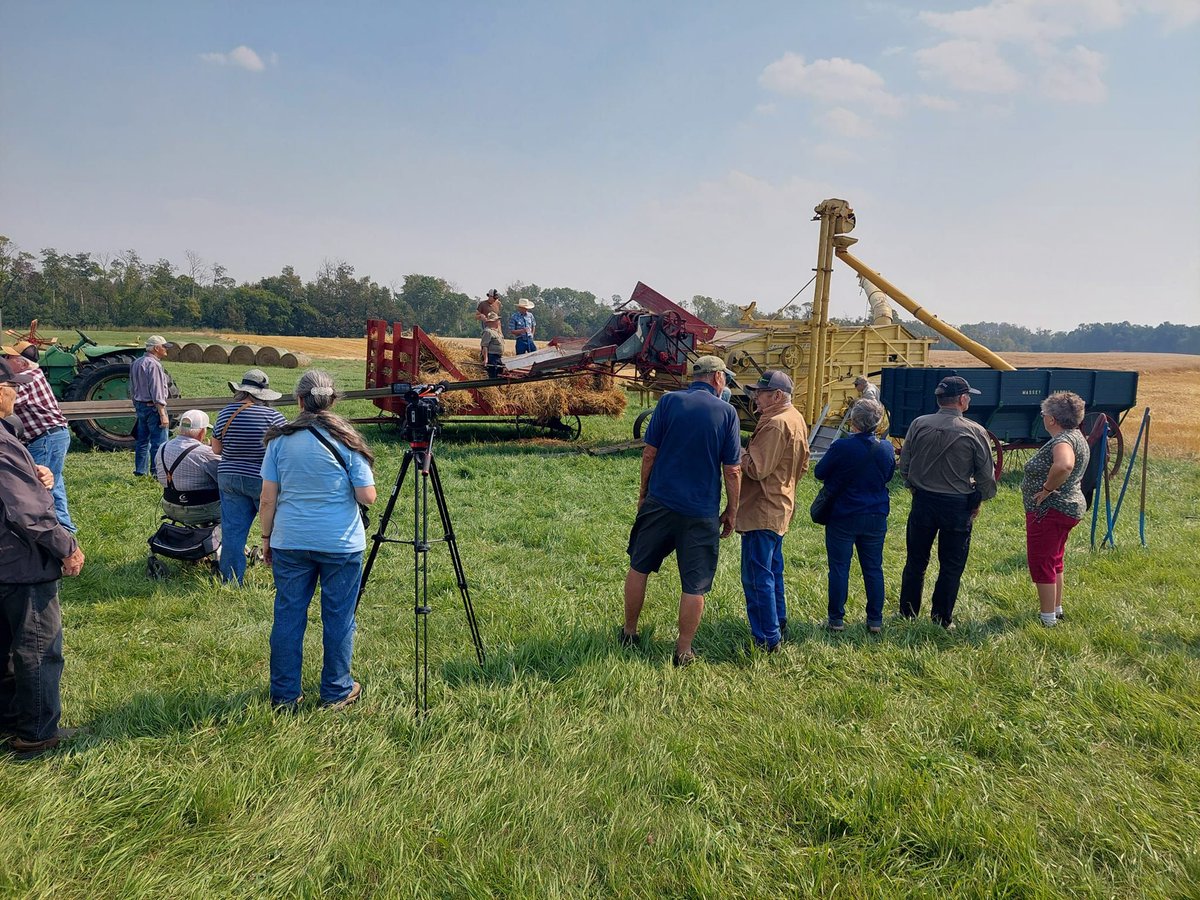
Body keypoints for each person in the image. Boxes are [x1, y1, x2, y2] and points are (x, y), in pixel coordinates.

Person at [259, 370, 376, 711]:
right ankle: (337, 690)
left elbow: (267, 498)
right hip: (340, 543)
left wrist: (266, 537)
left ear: (299, 401)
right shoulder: (349, 440)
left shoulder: (279, 441)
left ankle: (284, 695)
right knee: (339, 617)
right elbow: (367, 496)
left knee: (288, 616)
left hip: (290, 540)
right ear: (333, 400)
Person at [620, 355, 742, 667]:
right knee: (695, 583)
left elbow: (649, 453)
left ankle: (629, 632)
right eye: (725, 378)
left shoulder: (668, 402)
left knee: (639, 565)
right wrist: (732, 510)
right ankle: (683, 650)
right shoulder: (727, 412)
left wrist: (644, 492)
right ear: (716, 379)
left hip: (660, 502)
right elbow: (732, 471)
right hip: (700, 511)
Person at [0, 357, 86, 759]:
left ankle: (10, 719)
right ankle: (36, 734)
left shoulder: (8, 438)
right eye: (12, 386)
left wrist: (35, 472)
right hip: (20, 562)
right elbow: (27, 512)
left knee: (5, 645)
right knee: (38, 647)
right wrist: (66, 546)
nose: (18, 392)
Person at [897, 375, 997, 628]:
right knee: (951, 565)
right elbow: (986, 476)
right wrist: (981, 497)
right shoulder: (975, 431)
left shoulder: (918, 424)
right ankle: (941, 618)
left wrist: (914, 487)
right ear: (963, 400)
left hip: (923, 501)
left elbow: (905, 467)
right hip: (957, 506)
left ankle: (908, 612)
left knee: (915, 561)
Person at [736, 370, 809, 651]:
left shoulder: (776, 424)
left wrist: (738, 450)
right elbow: (802, 466)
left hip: (762, 509)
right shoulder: (795, 418)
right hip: (780, 504)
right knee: (771, 571)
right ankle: (778, 622)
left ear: (777, 395)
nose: (756, 397)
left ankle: (767, 637)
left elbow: (756, 468)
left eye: (761, 393)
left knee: (756, 576)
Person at [813, 399, 896, 633]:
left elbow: (820, 472)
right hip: (875, 513)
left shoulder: (842, 447)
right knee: (873, 568)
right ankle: (875, 620)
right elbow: (888, 476)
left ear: (853, 421)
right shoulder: (886, 448)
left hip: (843, 514)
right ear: (878, 423)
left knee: (839, 568)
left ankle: (836, 620)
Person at [1021, 391, 1090, 627]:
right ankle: (1056, 609)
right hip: (1068, 507)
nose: (1043, 417)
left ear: (1051, 419)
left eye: (1044, 414)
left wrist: (1047, 489)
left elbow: (1064, 464)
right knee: (1055, 560)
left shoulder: (1063, 441)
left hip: (1050, 510)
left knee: (1041, 562)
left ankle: (1047, 619)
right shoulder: (1077, 436)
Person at [212, 370, 286, 584]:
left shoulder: (226, 413)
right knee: (276, 531)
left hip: (229, 478)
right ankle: (283, 580)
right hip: (263, 480)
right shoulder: (274, 417)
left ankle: (231, 580)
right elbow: (284, 451)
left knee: (233, 532)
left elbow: (216, 449)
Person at [1, 346, 75, 532]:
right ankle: (65, 528)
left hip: (45, 438)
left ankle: (46, 530)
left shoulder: (27, 380)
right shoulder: (35, 374)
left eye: (8, 357)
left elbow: (8, 405)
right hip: (51, 436)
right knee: (53, 482)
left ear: (21, 362)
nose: (4, 359)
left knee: (38, 488)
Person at [154, 409, 221, 525]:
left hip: (169, 506)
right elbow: (223, 478)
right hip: (200, 510)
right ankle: (230, 541)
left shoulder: (163, 447)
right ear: (201, 432)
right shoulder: (205, 453)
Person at [129, 335, 174, 478]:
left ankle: (140, 472)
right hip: (153, 408)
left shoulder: (137, 362)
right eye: (164, 346)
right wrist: (162, 413)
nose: (166, 349)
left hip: (141, 406)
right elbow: (157, 390)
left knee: (142, 441)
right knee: (159, 443)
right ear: (156, 348)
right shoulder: (154, 364)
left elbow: (132, 387)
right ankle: (157, 474)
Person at [481, 313, 504, 377]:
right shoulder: (488, 331)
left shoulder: (497, 332)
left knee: (499, 373)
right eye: (497, 321)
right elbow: (485, 346)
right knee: (493, 374)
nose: (498, 322)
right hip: (492, 356)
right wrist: (486, 359)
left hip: (498, 357)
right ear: (493, 322)